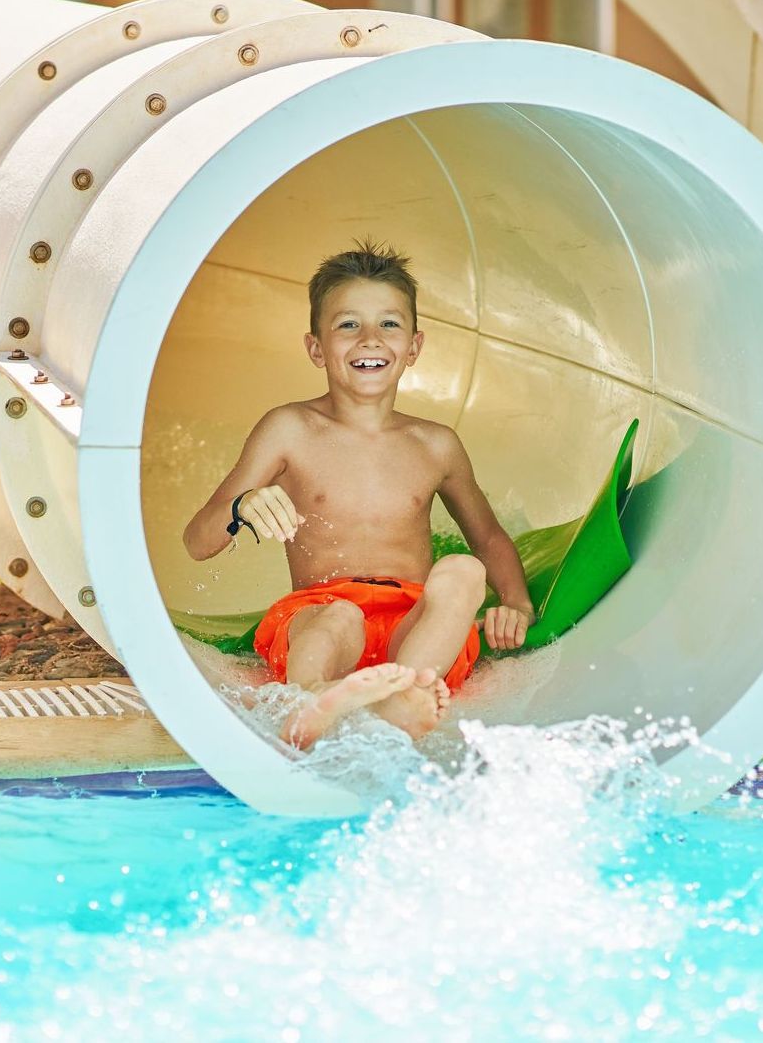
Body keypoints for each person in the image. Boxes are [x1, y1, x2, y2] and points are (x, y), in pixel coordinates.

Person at [183, 240, 534, 749]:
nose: (369, 339)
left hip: (414, 628)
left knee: (464, 572)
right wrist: (242, 508)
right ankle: (315, 698)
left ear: (414, 347)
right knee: (337, 618)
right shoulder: (289, 430)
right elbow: (198, 540)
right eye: (348, 324)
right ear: (316, 348)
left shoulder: (435, 444)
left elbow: (489, 538)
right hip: (321, 610)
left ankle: (403, 694)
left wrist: (517, 604)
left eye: (389, 324)